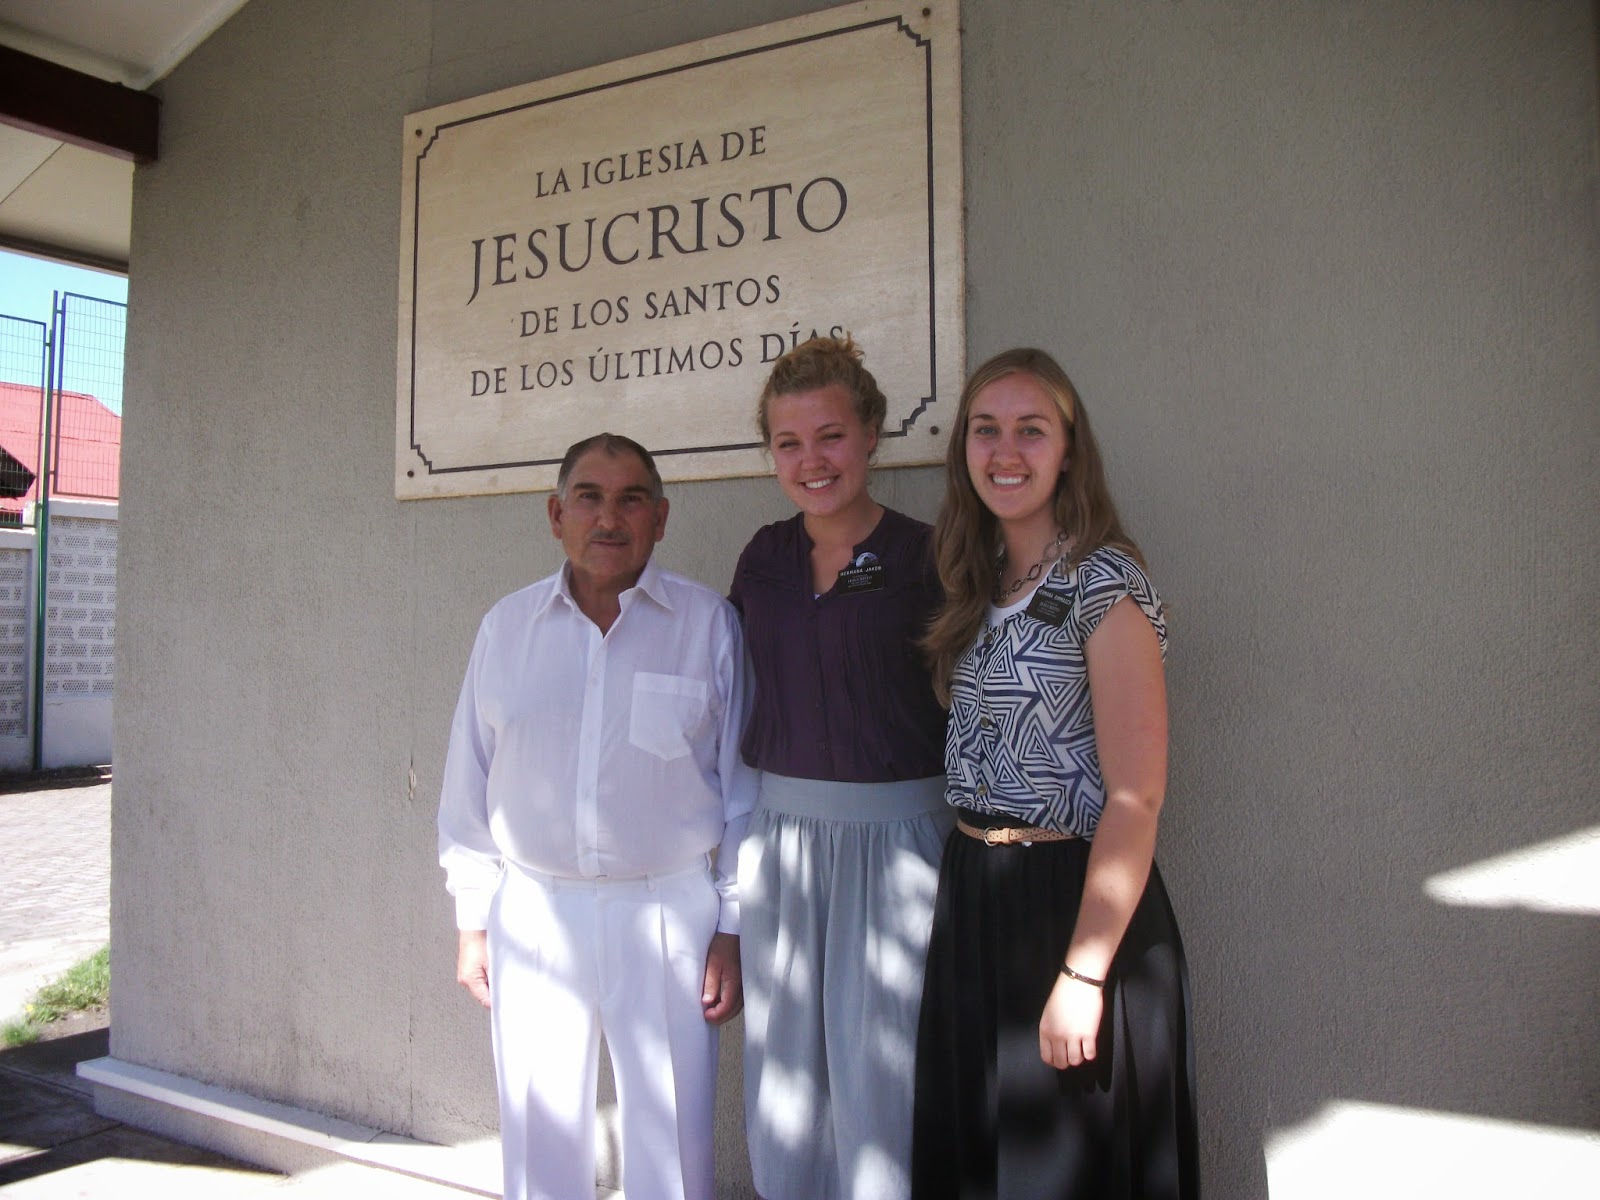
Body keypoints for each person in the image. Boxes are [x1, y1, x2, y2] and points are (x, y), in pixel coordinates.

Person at [437, 432, 755, 1200]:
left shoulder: (707, 625)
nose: (608, 519)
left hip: (668, 910)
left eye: (630, 500)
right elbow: (468, 783)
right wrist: (472, 918)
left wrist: (733, 924)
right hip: (533, 910)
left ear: (660, 518)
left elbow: (747, 790)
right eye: (588, 498)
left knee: (672, 1137)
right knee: (538, 1131)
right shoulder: (506, 628)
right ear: (556, 515)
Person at [912, 348, 1200, 1198]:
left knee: (1065, 1168)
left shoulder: (1103, 581)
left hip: (1071, 905)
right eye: (986, 430)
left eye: (1031, 430)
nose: (1005, 451)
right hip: (976, 897)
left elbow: (1137, 796)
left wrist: (1084, 972)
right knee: (982, 1159)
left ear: (1070, 450)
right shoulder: (975, 579)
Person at [731, 337, 953, 1200]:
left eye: (830, 436)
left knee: (884, 1068)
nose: (811, 461)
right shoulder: (763, 559)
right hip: (783, 842)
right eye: (789, 443)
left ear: (870, 435)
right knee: (787, 1069)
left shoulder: (929, 557)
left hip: (900, 846)